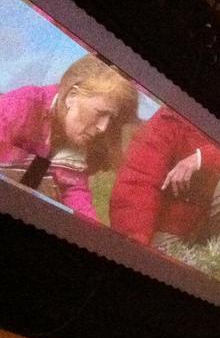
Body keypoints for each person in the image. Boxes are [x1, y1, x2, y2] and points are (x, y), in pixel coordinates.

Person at [0, 54, 138, 219]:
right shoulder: (22, 105)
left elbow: (73, 189)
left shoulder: (77, 138)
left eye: (111, 119)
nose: (103, 127)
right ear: (72, 96)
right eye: (100, 113)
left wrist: (92, 234)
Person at [109, 105, 220, 251]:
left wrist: (202, 158)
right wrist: (135, 243)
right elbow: (139, 181)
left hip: (217, 228)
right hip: (171, 226)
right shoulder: (172, 115)